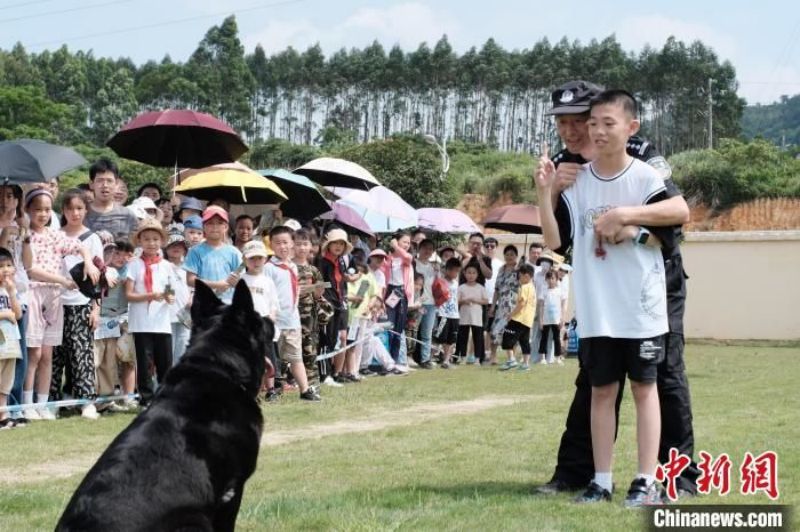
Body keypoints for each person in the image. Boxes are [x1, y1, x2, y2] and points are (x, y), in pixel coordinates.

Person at [538, 81, 697, 499]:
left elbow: (676, 213)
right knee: (595, 381)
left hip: (656, 278)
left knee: (664, 377)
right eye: (564, 124)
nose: (573, 132)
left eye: (581, 121)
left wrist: (626, 217)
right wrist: (551, 188)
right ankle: (579, 474)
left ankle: (676, 476)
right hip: (602, 289)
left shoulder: (640, 153)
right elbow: (557, 236)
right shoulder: (564, 165)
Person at [21, 188, 100, 421]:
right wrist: (63, 281)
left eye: (47, 209)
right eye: (37, 209)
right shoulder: (26, 235)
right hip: (35, 293)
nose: (43, 214)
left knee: (47, 353)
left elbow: (80, 246)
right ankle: (27, 404)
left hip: (54, 297)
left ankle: (43, 405)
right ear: (28, 210)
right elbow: (30, 268)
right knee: (34, 353)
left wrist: (88, 262)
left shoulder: (55, 235)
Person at [50, 189, 104, 420]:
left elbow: (99, 277)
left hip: (82, 303)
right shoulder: (54, 235)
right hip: (55, 302)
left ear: (86, 210)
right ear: (63, 210)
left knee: (82, 354)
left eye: (80, 208)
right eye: (70, 208)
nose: (75, 213)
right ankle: (51, 401)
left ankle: (86, 401)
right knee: (54, 355)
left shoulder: (93, 238)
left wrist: (96, 308)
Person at [263, 226, 320, 401]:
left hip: (292, 320)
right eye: (278, 243)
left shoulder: (293, 266)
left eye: (286, 242)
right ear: (271, 245)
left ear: (292, 244)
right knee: (272, 360)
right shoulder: (269, 267)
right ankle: (271, 390)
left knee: (296, 357)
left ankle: (304, 390)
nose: (283, 246)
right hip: (275, 321)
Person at [125, 219, 175, 408]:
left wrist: (168, 297)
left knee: (165, 361)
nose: (151, 243)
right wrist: (150, 296)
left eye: (155, 239)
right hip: (141, 321)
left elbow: (170, 290)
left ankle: (165, 396)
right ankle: (146, 398)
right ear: (140, 241)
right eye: (146, 239)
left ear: (161, 241)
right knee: (144, 362)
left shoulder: (166, 265)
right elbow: (129, 294)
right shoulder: (135, 265)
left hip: (162, 320)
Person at [0, 184, 30, 422]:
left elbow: (27, 264)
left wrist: (25, 234)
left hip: (19, 293)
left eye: (10, 196)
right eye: (1, 197)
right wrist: (4, 233)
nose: (5, 201)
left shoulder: (23, 225)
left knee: (18, 354)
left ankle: (15, 407)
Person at [94, 241, 135, 411]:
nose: (120, 258)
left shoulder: (130, 272)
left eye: (126, 254)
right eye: (117, 253)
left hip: (119, 321)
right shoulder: (101, 270)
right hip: (100, 320)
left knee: (117, 360)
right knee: (97, 360)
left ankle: (111, 397)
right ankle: (94, 398)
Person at [237, 240, 279, 400]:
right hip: (246, 324)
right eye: (252, 258)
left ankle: (271, 389)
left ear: (265, 260)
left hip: (263, 323)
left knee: (268, 356)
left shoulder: (268, 281)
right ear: (245, 260)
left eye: (259, 258)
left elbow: (274, 303)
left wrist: (271, 318)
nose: (256, 262)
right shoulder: (240, 280)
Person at [294, 228, 333, 392]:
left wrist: (317, 293)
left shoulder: (314, 270)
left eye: (305, 244)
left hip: (310, 318)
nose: (302, 248)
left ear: (311, 246)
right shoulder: (288, 268)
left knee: (310, 351)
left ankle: (312, 384)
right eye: (298, 244)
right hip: (291, 315)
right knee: (290, 352)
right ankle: (286, 383)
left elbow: (321, 292)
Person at [184, 206, 241, 304]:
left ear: (226, 227)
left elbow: (241, 278)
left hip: (228, 304)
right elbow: (190, 280)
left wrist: (236, 281)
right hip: (204, 303)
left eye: (219, 223)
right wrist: (217, 285)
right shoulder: (195, 251)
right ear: (203, 226)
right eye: (210, 223)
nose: (215, 227)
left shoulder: (234, 252)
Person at [318, 227, 354, 383]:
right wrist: (325, 301)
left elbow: (340, 283)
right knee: (326, 339)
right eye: (335, 243)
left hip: (340, 303)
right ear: (329, 244)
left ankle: (334, 373)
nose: (338, 246)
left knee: (338, 339)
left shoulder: (340, 262)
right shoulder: (322, 262)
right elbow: (320, 285)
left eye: (341, 243)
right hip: (327, 305)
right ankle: (324, 375)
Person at [380, 231, 414, 366]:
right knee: (388, 325)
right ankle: (385, 360)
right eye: (404, 242)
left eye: (408, 243)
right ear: (396, 240)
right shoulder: (387, 259)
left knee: (399, 328)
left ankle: (394, 360)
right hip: (389, 292)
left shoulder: (407, 258)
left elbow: (407, 257)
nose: (407, 245)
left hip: (401, 292)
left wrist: (396, 247)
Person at [85, 158, 139, 242]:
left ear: (116, 183)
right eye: (100, 180)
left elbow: (136, 246)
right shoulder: (81, 213)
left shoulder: (128, 215)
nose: (105, 185)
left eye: (109, 181)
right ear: (91, 184)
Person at [0, 247, 22, 429]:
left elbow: (18, 314)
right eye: (1, 266)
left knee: (6, 382)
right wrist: (4, 314)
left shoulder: (9, 290)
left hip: (10, 342)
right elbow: (10, 314)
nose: (6, 269)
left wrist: (12, 292)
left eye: (9, 265)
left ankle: (3, 415)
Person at [488, 245, 520, 365]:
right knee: (495, 330)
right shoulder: (501, 269)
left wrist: (521, 266)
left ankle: (511, 358)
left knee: (512, 332)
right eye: (507, 254)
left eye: (512, 254)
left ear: (516, 256)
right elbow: (496, 289)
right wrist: (492, 306)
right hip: (501, 306)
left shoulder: (519, 269)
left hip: (514, 305)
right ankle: (493, 356)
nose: (509, 257)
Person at [500, 263, 536, 371]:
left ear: (527, 276)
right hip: (528, 321)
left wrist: (511, 314)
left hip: (519, 319)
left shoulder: (524, 287)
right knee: (524, 341)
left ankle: (511, 360)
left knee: (507, 337)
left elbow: (521, 304)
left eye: (520, 276)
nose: (518, 279)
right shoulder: (532, 288)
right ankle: (525, 364)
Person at [164, 231, 191, 364]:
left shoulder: (189, 267)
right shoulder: (162, 265)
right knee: (167, 352)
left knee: (184, 349)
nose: (176, 248)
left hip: (186, 314)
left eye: (180, 245)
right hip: (166, 314)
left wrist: (192, 297)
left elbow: (194, 287)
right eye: (172, 245)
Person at [455, 264, 487, 364]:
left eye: (473, 273)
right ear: (464, 274)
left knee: (477, 337)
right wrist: (465, 300)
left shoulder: (481, 288)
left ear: (477, 275)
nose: (471, 275)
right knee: (463, 337)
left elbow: (486, 301)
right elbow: (456, 301)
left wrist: (475, 300)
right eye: (469, 273)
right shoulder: (461, 287)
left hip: (477, 316)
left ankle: (477, 358)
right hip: (464, 316)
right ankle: (463, 357)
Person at [413, 239, 438, 369]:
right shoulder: (413, 263)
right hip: (417, 303)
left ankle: (425, 358)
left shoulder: (434, 267)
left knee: (427, 332)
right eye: (425, 248)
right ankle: (410, 357)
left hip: (431, 303)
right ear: (419, 248)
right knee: (412, 330)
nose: (427, 251)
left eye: (430, 249)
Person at [433, 258, 461, 369]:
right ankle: (431, 357)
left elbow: (456, 298)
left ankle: (446, 360)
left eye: (458, 271)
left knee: (451, 338)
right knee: (440, 337)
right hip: (443, 313)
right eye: (454, 271)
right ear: (448, 270)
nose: (456, 273)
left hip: (454, 314)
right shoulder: (441, 281)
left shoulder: (456, 283)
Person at [538, 270, 565, 366]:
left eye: (553, 278)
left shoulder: (560, 291)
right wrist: (540, 320)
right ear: (546, 279)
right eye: (548, 278)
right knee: (544, 338)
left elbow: (562, 306)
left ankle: (557, 357)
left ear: (557, 279)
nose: (550, 280)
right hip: (545, 319)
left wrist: (562, 318)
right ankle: (542, 358)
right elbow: (541, 306)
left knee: (557, 338)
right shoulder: (543, 290)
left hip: (556, 319)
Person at [482, 237, 503, 359]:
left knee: (492, 330)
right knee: (480, 329)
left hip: (495, 301)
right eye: (487, 245)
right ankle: (475, 354)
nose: (489, 248)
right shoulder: (480, 261)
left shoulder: (501, 264)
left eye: (492, 246)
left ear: (496, 247)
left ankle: (489, 354)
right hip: (481, 300)